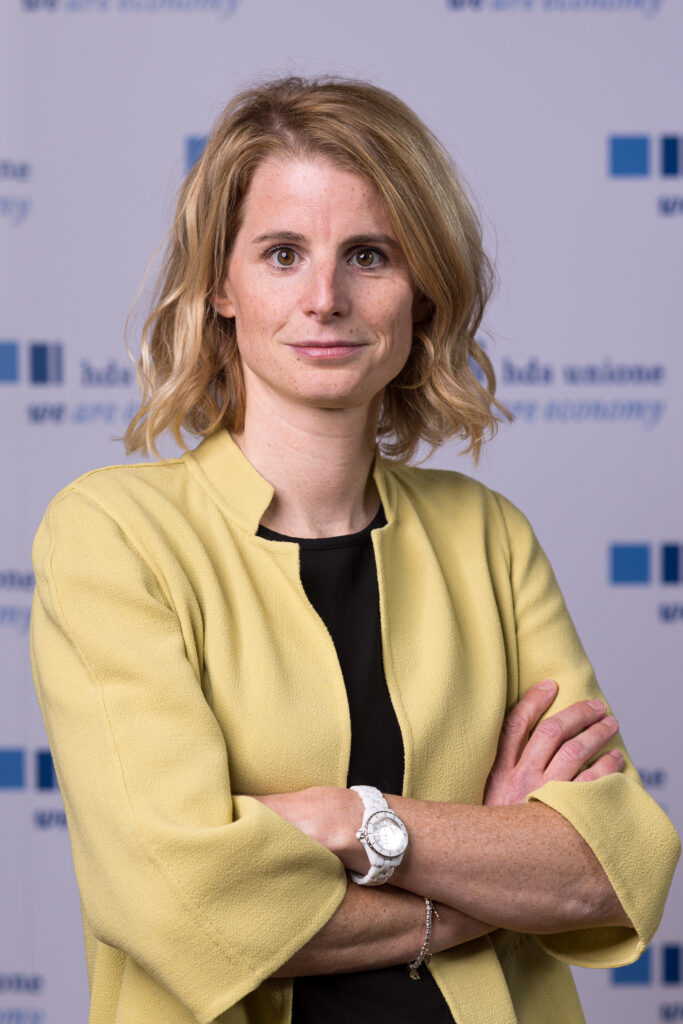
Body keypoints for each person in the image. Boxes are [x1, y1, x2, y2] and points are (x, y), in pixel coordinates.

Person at [30, 76, 678, 1024]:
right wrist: (490, 864)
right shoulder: (115, 536)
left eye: (368, 255)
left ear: (422, 290)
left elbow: (610, 869)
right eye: (282, 254)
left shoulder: (487, 535)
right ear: (220, 286)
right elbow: (183, 907)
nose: (325, 298)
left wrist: (352, 820)